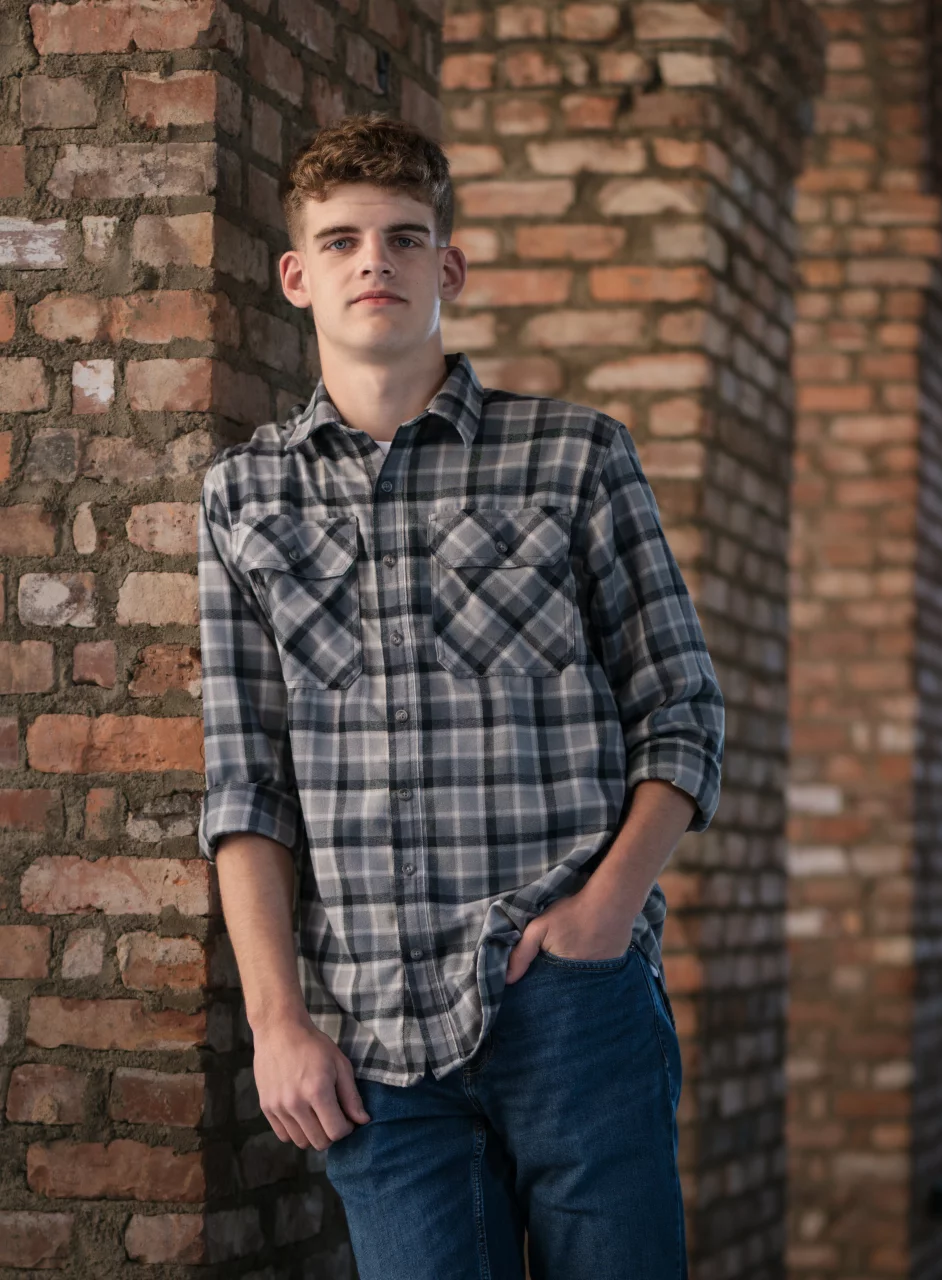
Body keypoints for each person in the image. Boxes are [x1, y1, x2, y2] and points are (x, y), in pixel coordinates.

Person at [197, 111, 726, 1280]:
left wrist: (601, 918)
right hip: (371, 1035)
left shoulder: (575, 457)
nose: (373, 263)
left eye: (403, 237)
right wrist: (277, 1020)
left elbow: (683, 713)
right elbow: (247, 784)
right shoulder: (242, 498)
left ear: (450, 266)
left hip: (568, 994)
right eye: (340, 241)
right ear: (296, 275)